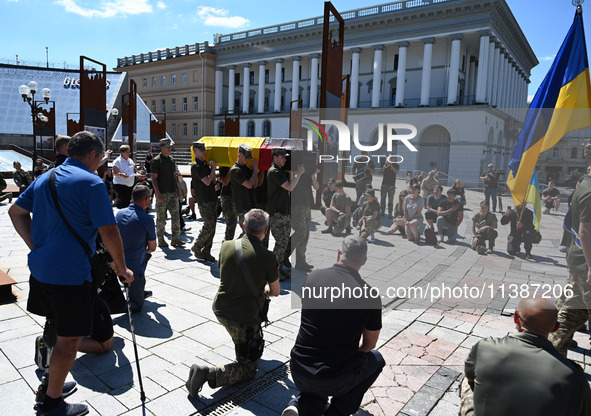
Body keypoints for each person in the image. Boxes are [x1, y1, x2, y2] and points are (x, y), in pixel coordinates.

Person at [9, 131, 133, 416]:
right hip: (71, 274)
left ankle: (51, 383)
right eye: (101, 158)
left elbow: (16, 212)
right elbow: (109, 230)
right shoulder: (91, 183)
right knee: (70, 339)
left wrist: (36, 246)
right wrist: (122, 267)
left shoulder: (45, 177)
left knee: (54, 326)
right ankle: (52, 403)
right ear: (92, 154)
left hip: (41, 269)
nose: (101, 163)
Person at [282, 236, 384, 416]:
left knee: (319, 365)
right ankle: (337, 411)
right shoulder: (370, 296)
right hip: (334, 377)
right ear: (364, 261)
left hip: (299, 367)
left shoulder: (313, 278)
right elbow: (369, 345)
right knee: (376, 359)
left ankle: (301, 405)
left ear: (338, 254)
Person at [186, 209, 280, 396]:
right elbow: (275, 291)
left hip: (220, 308)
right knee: (249, 369)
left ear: (243, 226)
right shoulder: (268, 257)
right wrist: (265, 289)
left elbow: (227, 270)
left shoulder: (226, 245)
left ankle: (242, 346)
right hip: (243, 317)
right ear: (266, 230)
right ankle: (208, 374)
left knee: (247, 342)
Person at [459, 297, 591, 416]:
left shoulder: (486, 346)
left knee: (468, 381)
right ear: (555, 328)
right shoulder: (574, 374)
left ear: (516, 318)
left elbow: (470, 375)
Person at [550, 145, 591, 356]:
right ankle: (550, 355)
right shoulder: (589, 190)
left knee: (568, 308)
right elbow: (584, 232)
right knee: (570, 312)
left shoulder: (583, 185)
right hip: (586, 263)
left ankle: (552, 353)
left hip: (579, 260)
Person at [116, 185, 157, 312]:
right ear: (146, 199)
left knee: (143, 254)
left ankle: (138, 289)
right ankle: (113, 308)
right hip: (133, 267)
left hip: (117, 260)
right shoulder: (147, 219)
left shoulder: (119, 213)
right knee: (137, 305)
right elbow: (152, 247)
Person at [267, 148, 305, 279]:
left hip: (284, 212)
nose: (285, 159)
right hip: (277, 213)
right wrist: (298, 174)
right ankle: (273, 272)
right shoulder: (274, 172)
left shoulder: (281, 171)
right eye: (283, 157)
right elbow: (290, 187)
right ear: (275, 157)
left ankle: (279, 267)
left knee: (283, 243)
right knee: (280, 243)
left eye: (285, 157)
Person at [151, 138, 184, 248]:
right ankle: (160, 239)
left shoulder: (172, 160)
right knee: (161, 218)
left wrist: (178, 190)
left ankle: (175, 238)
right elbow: (154, 179)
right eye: (168, 147)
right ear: (162, 147)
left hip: (172, 193)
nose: (170, 149)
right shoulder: (156, 160)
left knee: (176, 217)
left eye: (170, 147)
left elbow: (174, 176)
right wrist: (158, 193)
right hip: (162, 193)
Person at [190, 142, 217, 262]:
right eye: (201, 150)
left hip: (212, 198)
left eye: (204, 150)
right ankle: (197, 246)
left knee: (213, 226)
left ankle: (207, 251)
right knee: (209, 224)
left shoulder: (205, 165)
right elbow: (207, 181)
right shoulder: (196, 166)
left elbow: (213, 181)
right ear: (195, 151)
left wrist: (212, 170)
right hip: (204, 200)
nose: (204, 152)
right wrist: (213, 169)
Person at [291, 165, 320, 271]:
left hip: (307, 204)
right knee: (300, 232)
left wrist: (313, 176)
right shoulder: (294, 168)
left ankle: (301, 262)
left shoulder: (308, 172)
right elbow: (290, 185)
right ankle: (284, 255)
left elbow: (317, 187)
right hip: (296, 204)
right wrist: (298, 173)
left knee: (306, 234)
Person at [230, 144, 259, 232]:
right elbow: (249, 185)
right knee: (248, 233)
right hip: (242, 206)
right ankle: (235, 245)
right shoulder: (235, 170)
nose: (248, 159)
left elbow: (255, 184)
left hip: (251, 205)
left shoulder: (246, 169)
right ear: (239, 155)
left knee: (250, 234)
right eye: (246, 157)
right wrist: (255, 170)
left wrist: (255, 171)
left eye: (249, 157)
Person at [219, 166, 237, 241]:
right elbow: (225, 182)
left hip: (237, 195)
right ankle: (227, 243)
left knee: (234, 222)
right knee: (231, 222)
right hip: (227, 196)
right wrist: (230, 168)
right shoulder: (224, 166)